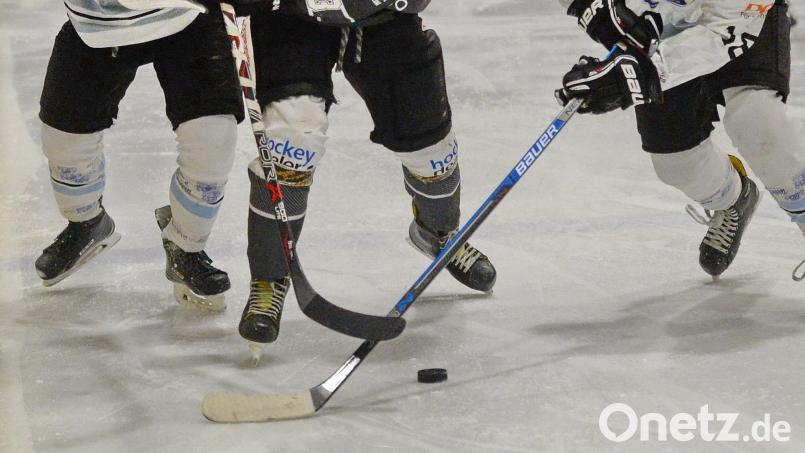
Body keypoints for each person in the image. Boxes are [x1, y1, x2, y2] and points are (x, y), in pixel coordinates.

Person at [233, 0, 498, 349]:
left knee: (431, 150)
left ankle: (437, 231)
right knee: (294, 138)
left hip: (381, 17)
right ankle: (269, 278)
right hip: (290, 20)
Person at [556, 0, 803, 279]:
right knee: (678, 165)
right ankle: (735, 199)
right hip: (658, 25)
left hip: (742, 20)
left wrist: (641, 74)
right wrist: (595, 9)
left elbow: (725, 32)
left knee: (758, 123)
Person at [34, 0, 246, 309]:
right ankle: (86, 223)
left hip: (191, 17)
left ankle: (185, 246)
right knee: (63, 137)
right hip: (100, 24)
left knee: (212, 137)